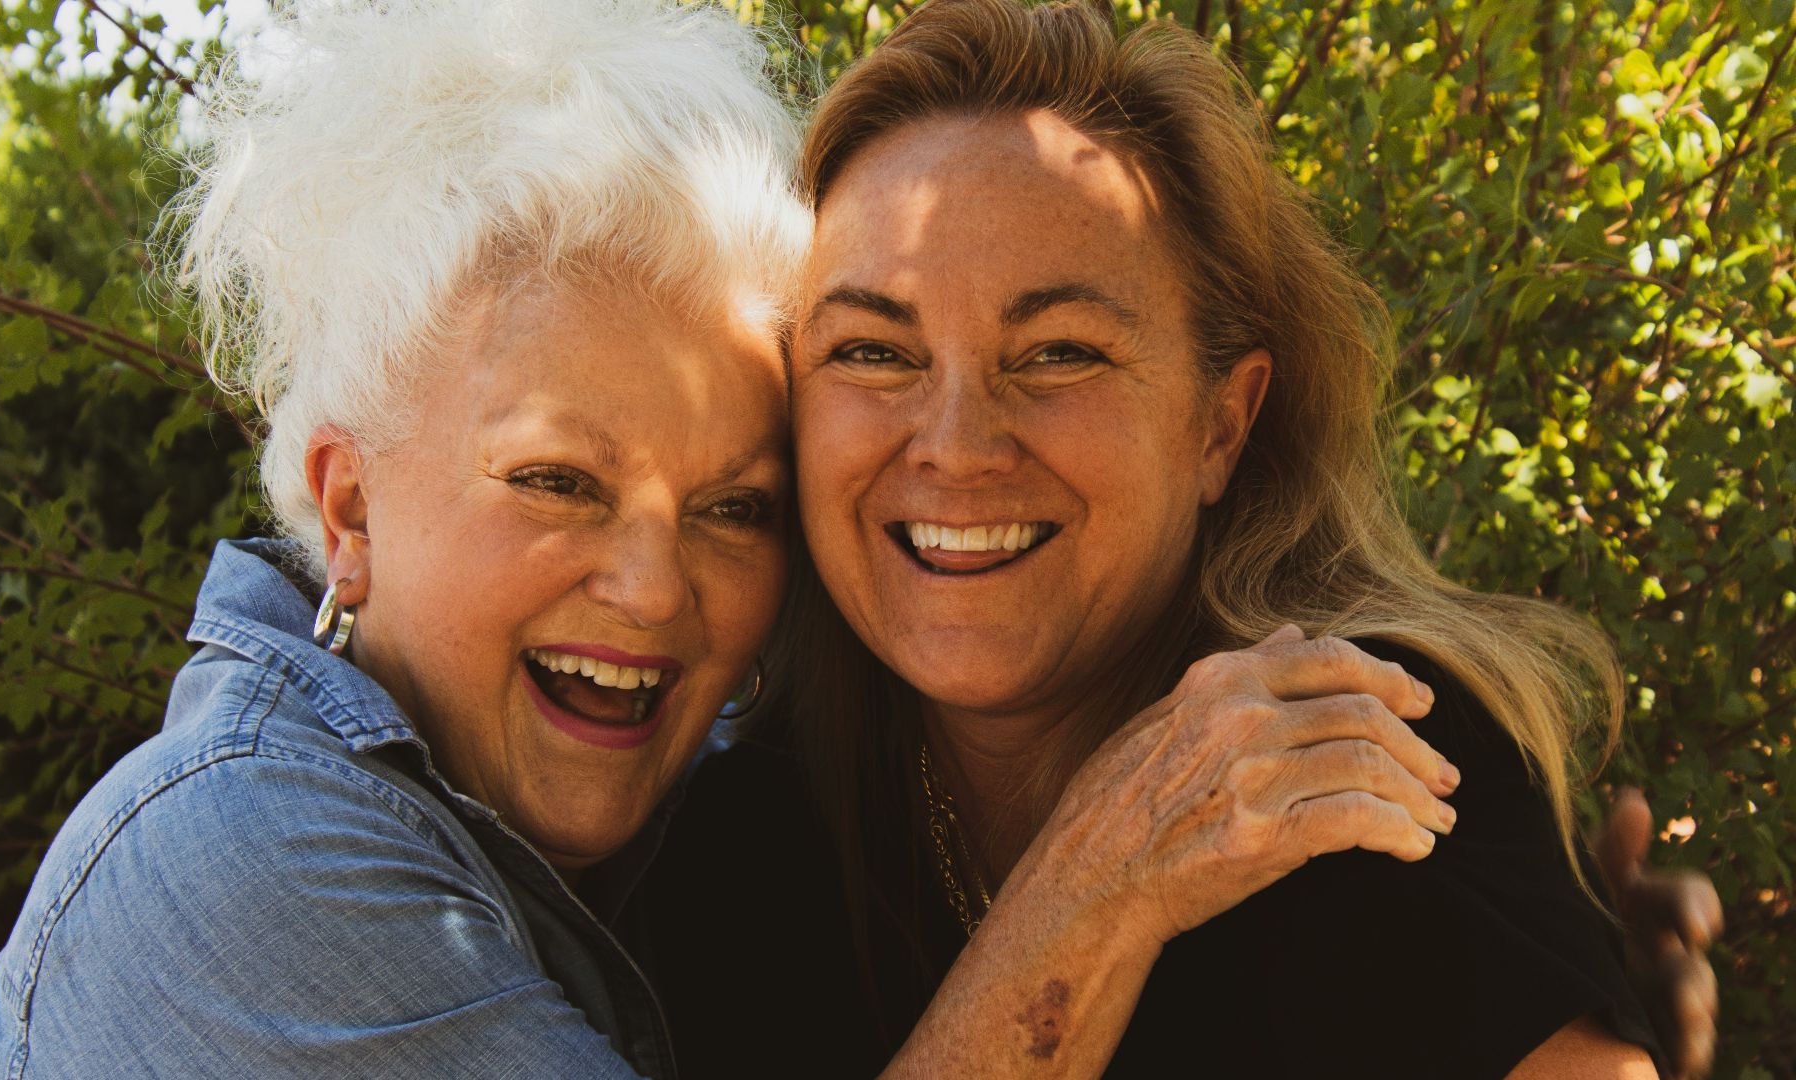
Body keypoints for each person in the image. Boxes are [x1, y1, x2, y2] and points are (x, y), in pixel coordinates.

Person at [0, 1, 1478, 1077]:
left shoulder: (663, 840)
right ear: (348, 506)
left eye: (735, 508)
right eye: (554, 480)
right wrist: (1095, 886)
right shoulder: (247, 865)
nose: (654, 588)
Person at [629, 1, 1718, 1076]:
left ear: (1219, 425)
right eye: (872, 353)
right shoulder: (748, 835)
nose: (956, 447)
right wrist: (1092, 891)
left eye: (1059, 353)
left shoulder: (1353, 750)